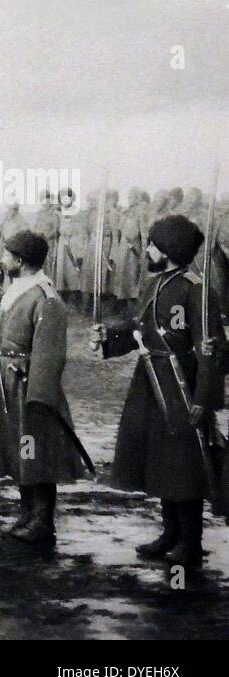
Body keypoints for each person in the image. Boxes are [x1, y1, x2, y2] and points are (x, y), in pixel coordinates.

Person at [90, 215, 222, 565]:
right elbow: (139, 328)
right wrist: (109, 337)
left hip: (182, 383)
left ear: (168, 249)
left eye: (153, 244)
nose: (147, 249)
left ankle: (190, 540)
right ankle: (170, 532)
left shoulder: (196, 289)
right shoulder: (155, 284)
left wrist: (204, 399)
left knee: (184, 461)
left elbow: (212, 349)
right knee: (163, 459)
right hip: (150, 380)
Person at [0, 231, 89, 543]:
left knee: (35, 453)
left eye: (7, 255)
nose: (1, 259)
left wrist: (39, 396)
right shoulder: (16, 289)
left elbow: (49, 354)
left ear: (20, 261)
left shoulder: (44, 297)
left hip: (29, 388)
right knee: (17, 450)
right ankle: (26, 512)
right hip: (7, 379)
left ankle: (42, 520)